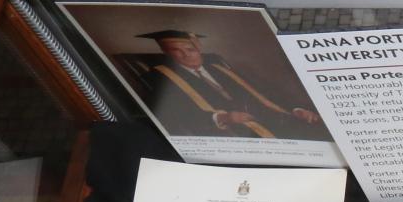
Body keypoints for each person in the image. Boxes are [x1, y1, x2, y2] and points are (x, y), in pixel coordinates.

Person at [138, 28, 331, 140]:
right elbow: (177, 113)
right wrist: (225, 117)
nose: (186, 55)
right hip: (231, 130)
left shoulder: (219, 67)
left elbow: (264, 91)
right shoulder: (162, 77)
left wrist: (296, 109)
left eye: (190, 49)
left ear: (198, 49)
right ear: (166, 53)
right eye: (176, 51)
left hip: (270, 117)